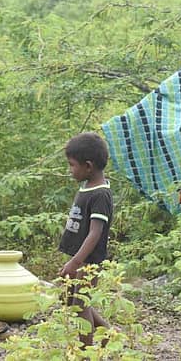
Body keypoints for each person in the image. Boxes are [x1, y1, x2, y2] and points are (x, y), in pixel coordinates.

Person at [57, 132, 113, 346]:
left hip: (89, 262)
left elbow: (95, 233)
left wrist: (76, 262)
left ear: (88, 166)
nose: (70, 170)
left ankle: (85, 352)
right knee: (74, 302)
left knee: (81, 304)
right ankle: (107, 333)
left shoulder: (100, 194)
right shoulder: (87, 188)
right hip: (79, 258)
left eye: (72, 165)